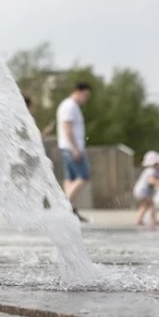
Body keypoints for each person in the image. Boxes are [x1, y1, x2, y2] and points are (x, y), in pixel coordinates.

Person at [56, 82, 92, 222]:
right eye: (86, 95)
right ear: (78, 91)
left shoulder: (70, 106)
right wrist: (76, 148)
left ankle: (70, 209)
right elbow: (67, 128)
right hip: (71, 148)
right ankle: (65, 205)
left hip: (67, 147)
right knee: (84, 177)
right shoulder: (69, 106)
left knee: (70, 179)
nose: (86, 99)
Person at [132, 150, 159, 227]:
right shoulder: (151, 171)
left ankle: (140, 220)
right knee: (151, 205)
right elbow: (152, 181)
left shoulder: (151, 171)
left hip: (140, 191)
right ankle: (152, 220)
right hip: (143, 192)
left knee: (145, 206)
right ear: (155, 164)